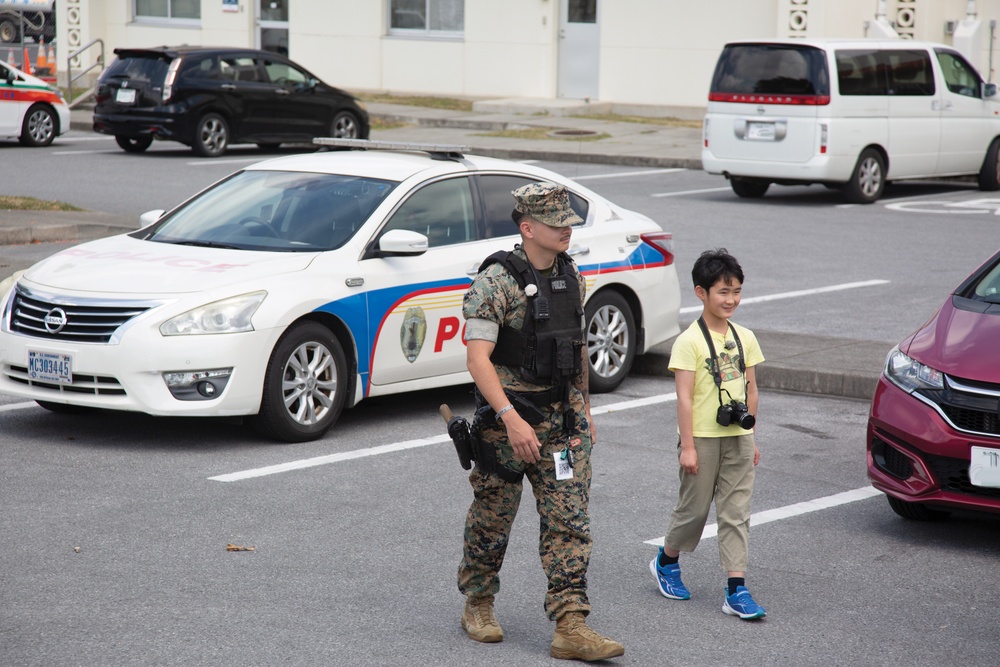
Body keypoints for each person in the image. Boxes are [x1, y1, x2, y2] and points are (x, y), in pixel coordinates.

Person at [457, 182, 624, 661]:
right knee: (493, 517)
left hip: (562, 425)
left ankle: (571, 625)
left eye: (569, 222)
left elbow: (575, 352)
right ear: (528, 228)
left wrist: (585, 413)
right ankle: (479, 602)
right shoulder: (496, 282)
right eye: (556, 224)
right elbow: (477, 360)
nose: (567, 230)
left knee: (569, 522)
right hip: (507, 424)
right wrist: (510, 419)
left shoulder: (573, 277)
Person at [650, 248, 766, 620]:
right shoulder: (690, 341)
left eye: (736, 292)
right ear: (701, 293)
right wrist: (687, 446)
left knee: (736, 512)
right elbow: (683, 397)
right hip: (701, 437)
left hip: (738, 436)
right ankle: (666, 561)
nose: (731, 300)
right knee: (695, 509)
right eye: (723, 292)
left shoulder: (745, 337)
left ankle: (736, 589)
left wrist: (753, 437)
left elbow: (751, 389)